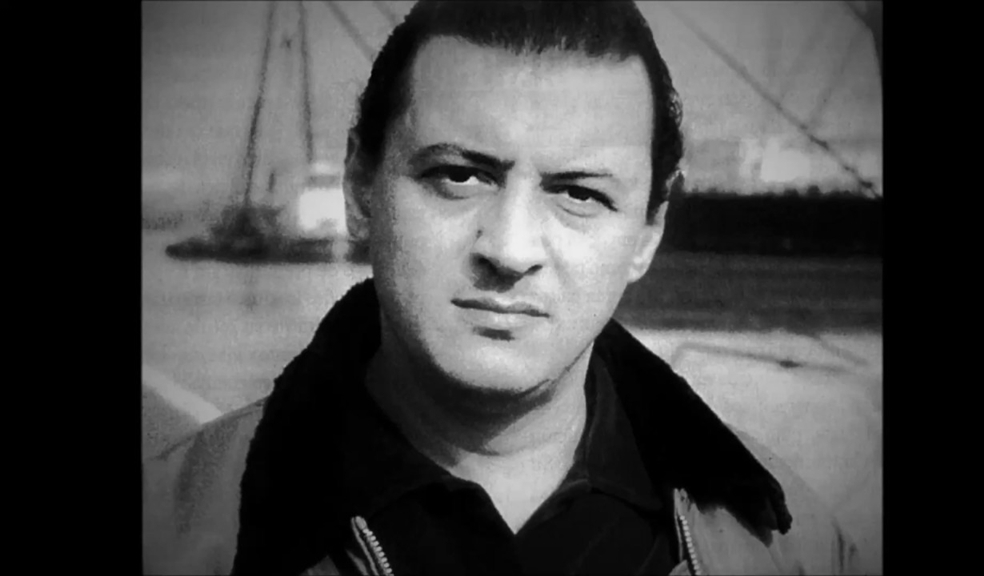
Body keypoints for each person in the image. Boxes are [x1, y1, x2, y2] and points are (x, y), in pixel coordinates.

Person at [143, 2, 863, 574]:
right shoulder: (171, 535)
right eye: (459, 176)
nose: (510, 251)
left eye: (579, 193)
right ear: (362, 188)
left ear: (648, 232)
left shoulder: (786, 543)